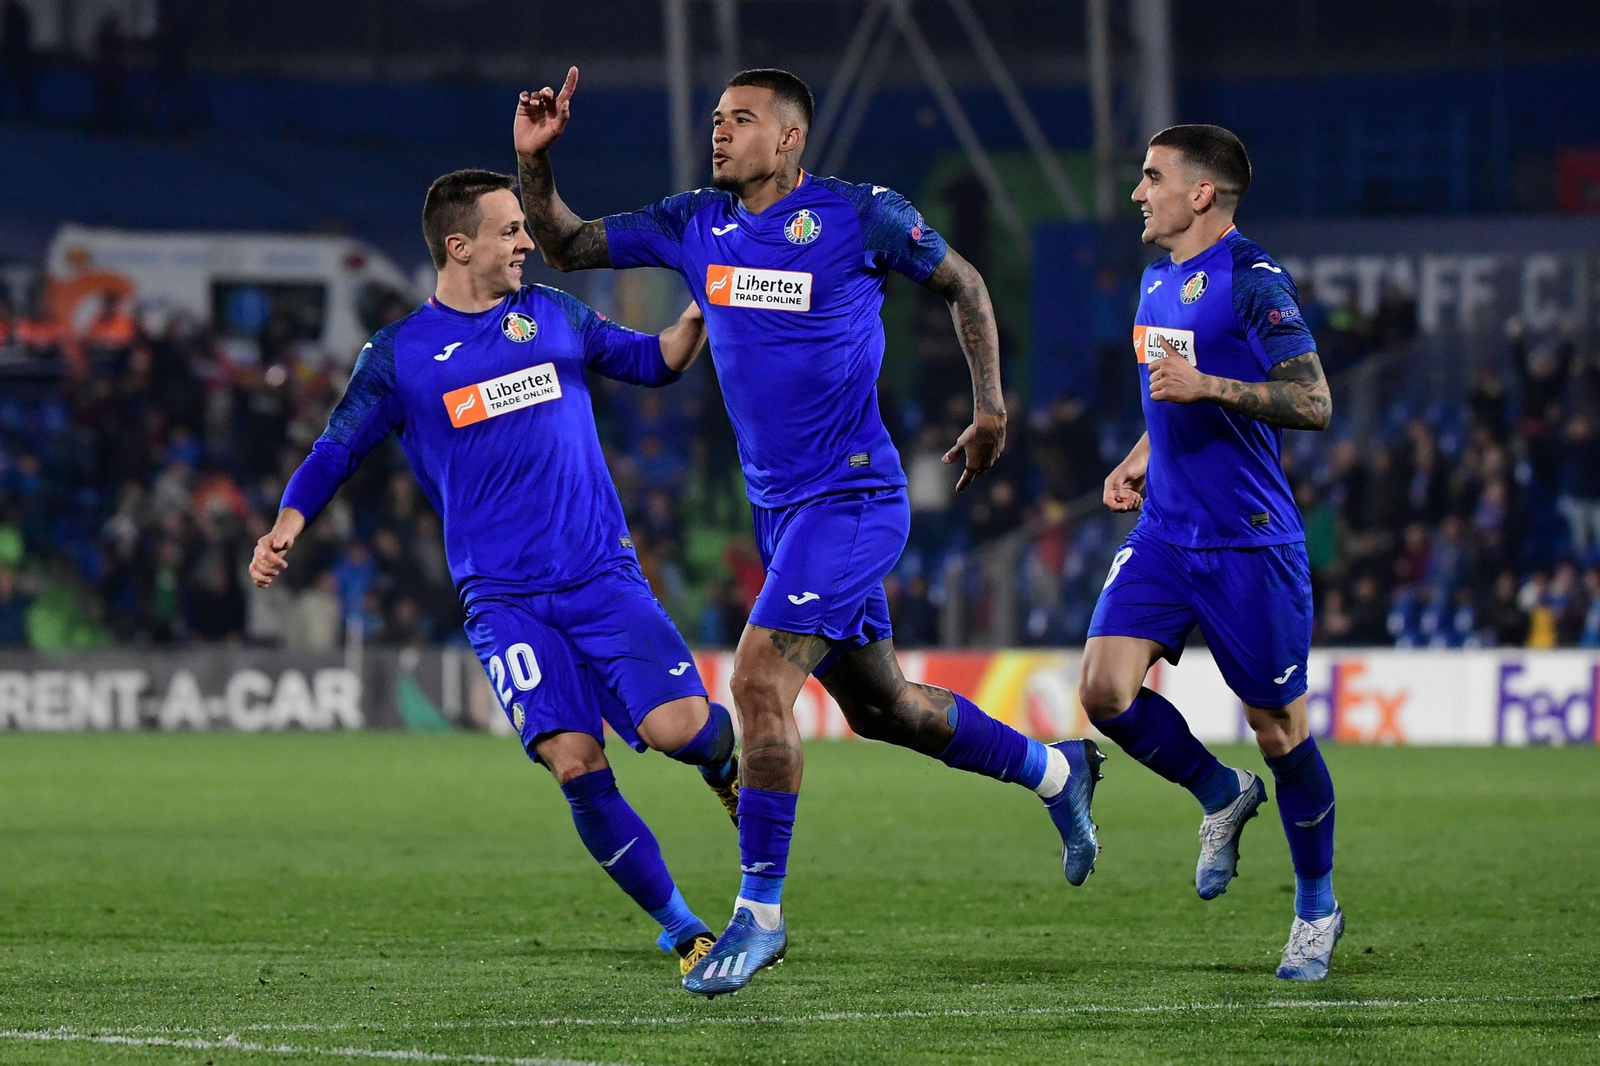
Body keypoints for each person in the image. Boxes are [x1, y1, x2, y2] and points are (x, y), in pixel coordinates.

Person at [512, 67, 1102, 998]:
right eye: (716, 119)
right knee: (885, 709)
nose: (720, 134)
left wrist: (991, 412)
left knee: (754, 682)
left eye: (740, 121)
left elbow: (966, 285)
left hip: (856, 499)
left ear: (788, 139)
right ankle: (1057, 774)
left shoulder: (858, 215)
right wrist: (533, 162)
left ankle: (760, 914)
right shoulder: (692, 221)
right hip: (782, 514)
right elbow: (564, 243)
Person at [249, 169, 737, 979]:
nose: (527, 242)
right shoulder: (400, 356)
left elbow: (654, 365)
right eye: (511, 230)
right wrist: (286, 525)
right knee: (576, 762)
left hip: (600, 577)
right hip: (505, 601)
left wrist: (701, 308)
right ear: (458, 244)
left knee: (681, 732)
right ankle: (683, 928)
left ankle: (724, 764)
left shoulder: (552, 315)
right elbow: (337, 448)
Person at [1087, 125, 1339, 980]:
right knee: (1104, 693)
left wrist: (1210, 387)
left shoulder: (1253, 279)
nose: (1138, 192)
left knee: (1279, 731)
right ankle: (1216, 792)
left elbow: (1313, 401)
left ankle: (1315, 908)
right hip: (1166, 531)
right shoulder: (1158, 279)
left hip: (1247, 542)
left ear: (1201, 194)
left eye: (1152, 177)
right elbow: (1172, 402)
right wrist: (1140, 455)